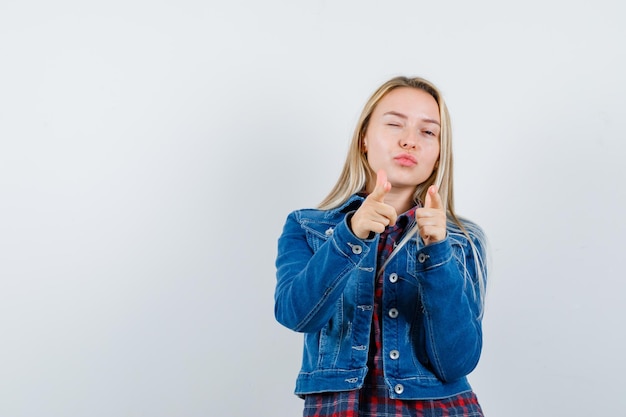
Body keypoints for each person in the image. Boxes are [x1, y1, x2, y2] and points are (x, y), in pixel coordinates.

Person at [274, 76, 488, 416]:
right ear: (364, 139)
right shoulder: (308, 226)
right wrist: (350, 236)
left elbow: (457, 361)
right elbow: (296, 315)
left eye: (428, 132)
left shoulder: (462, 240)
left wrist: (437, 255)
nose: (409, 141)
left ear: (437, 155)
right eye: (394, 125)